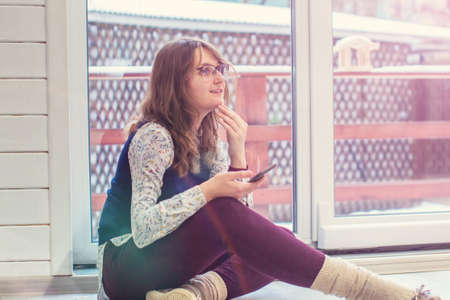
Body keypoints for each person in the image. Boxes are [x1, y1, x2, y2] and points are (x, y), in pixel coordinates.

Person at [97, 37, 440, 300]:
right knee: (252, 232)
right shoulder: (154, 136)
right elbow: (141, 229)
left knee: (278, 245)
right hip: (124, 269)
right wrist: (211, 190)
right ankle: (371, 291)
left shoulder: (209, 136)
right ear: (175, 82)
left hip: (166, 269)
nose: (219, 79)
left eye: (220, 69)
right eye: (204, 70)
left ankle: (188, 296)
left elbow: (237, 230)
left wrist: (236, 154)